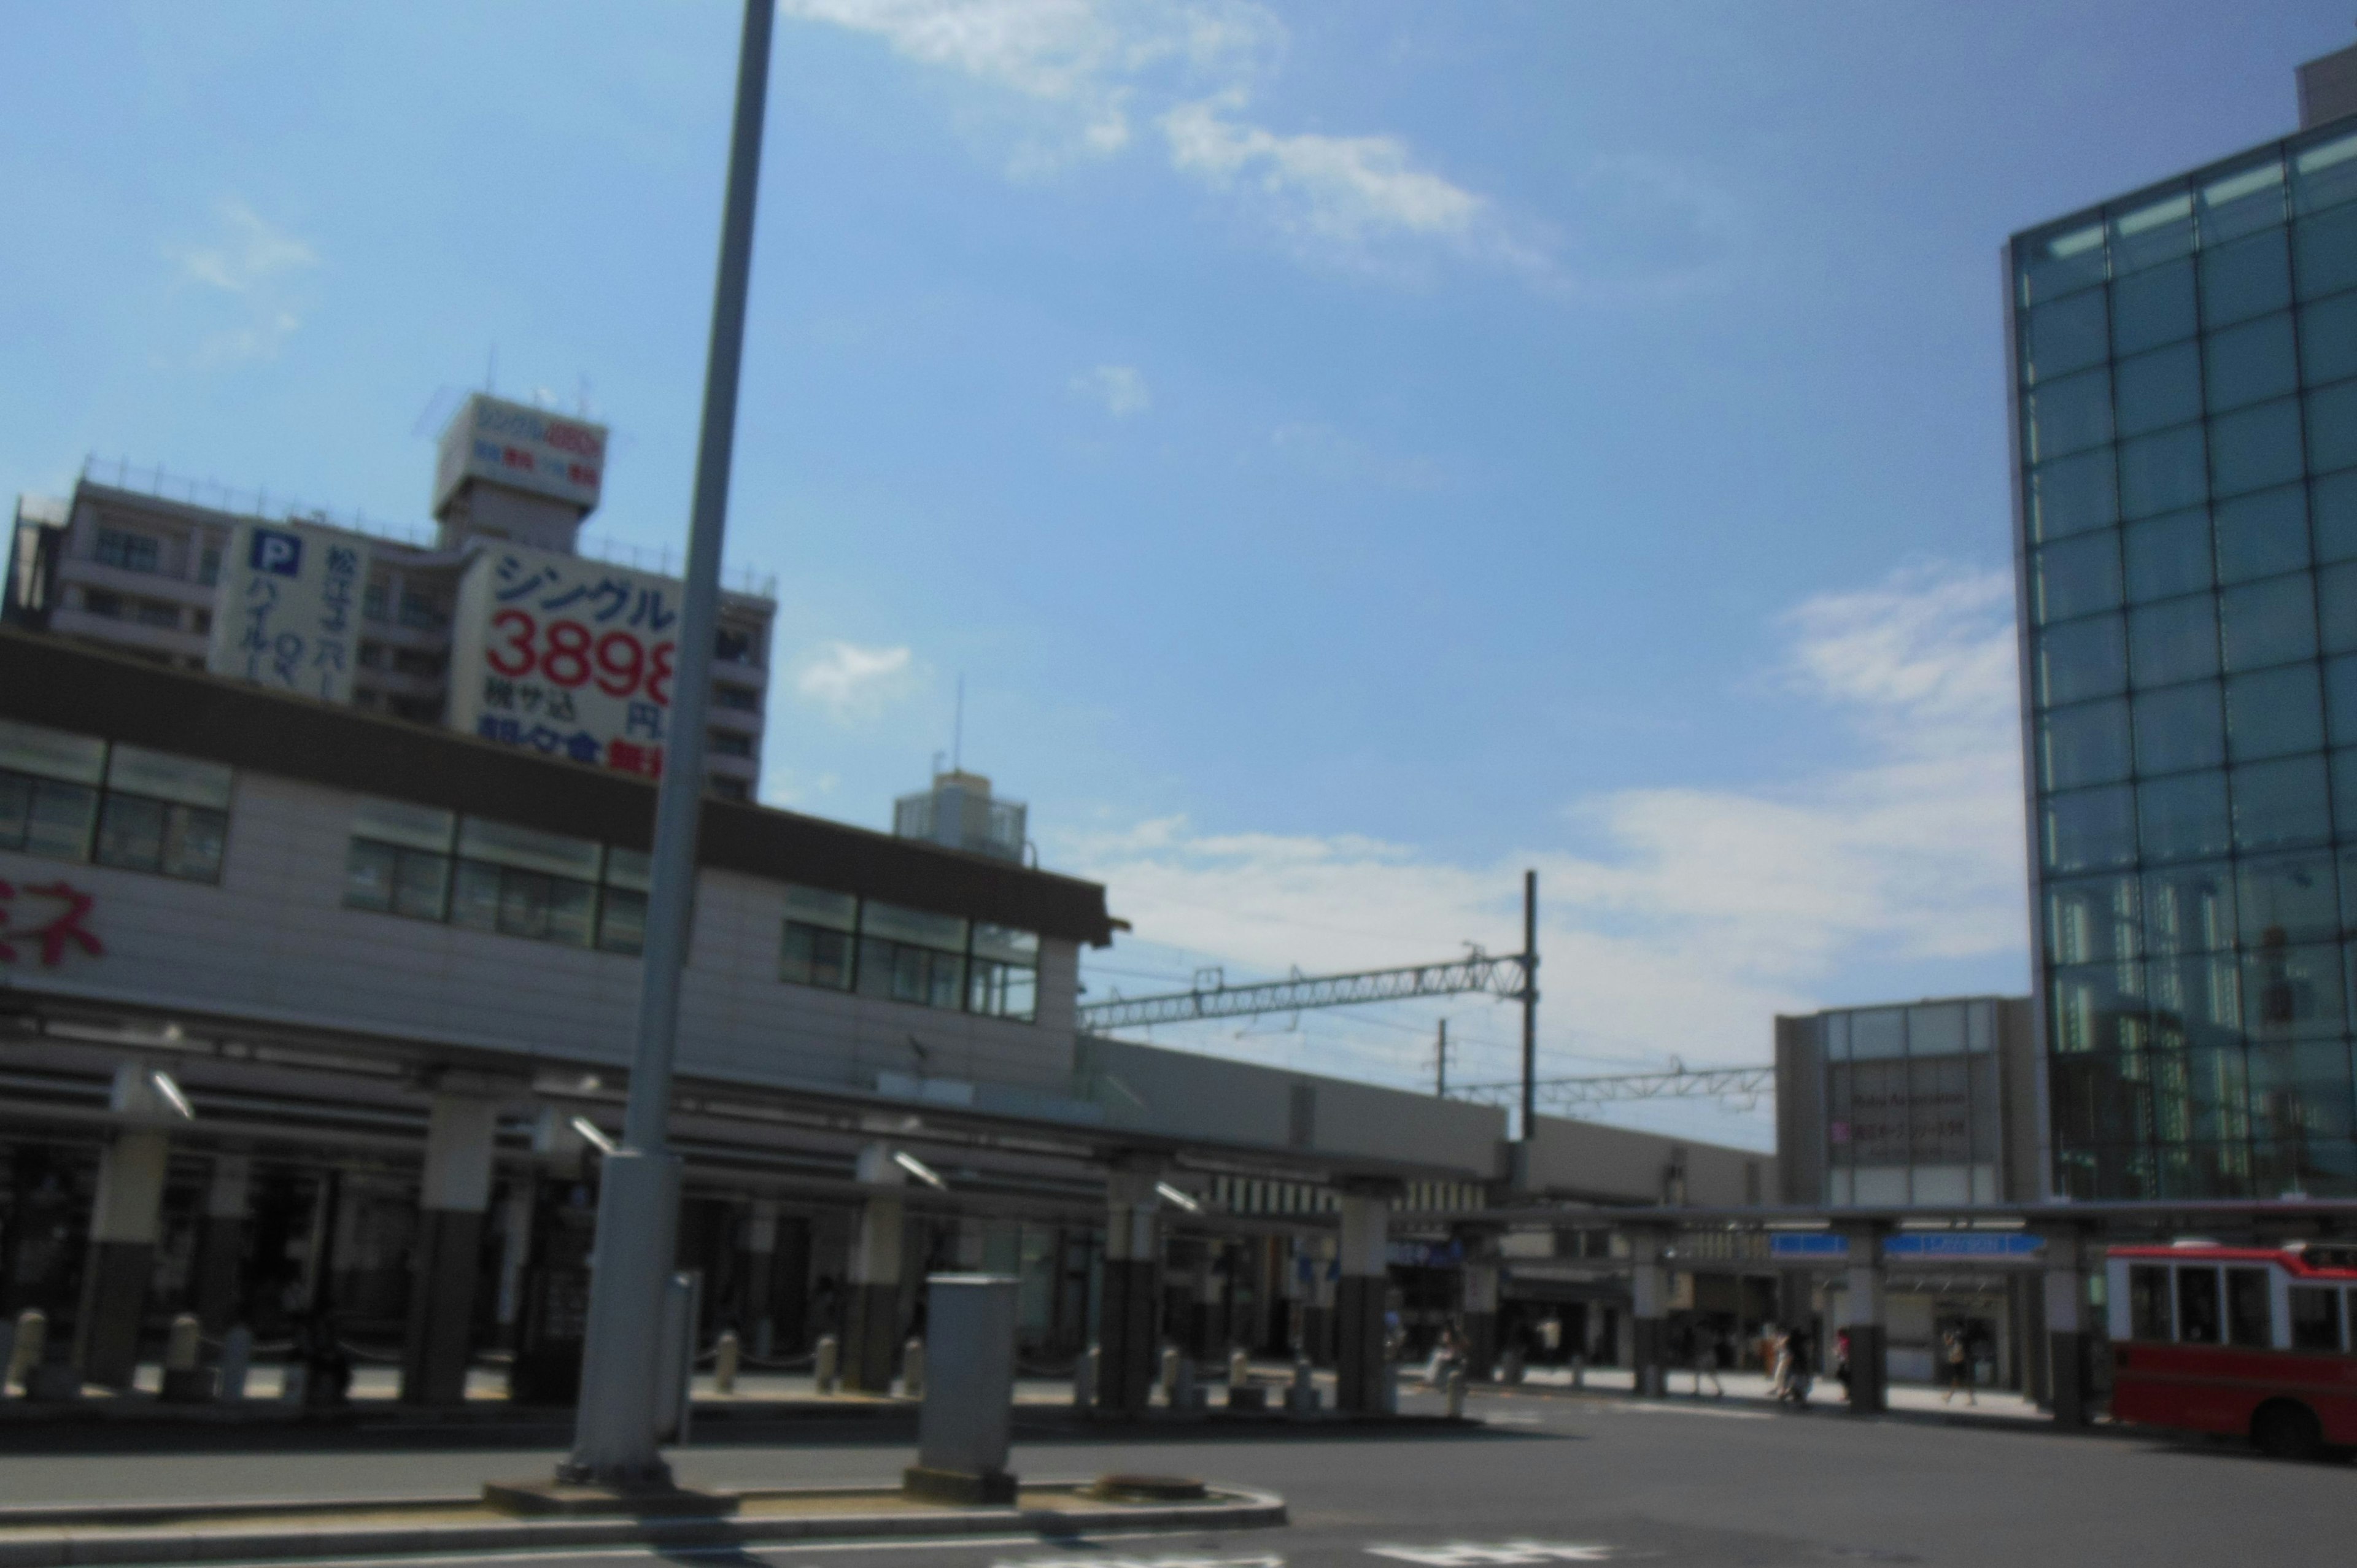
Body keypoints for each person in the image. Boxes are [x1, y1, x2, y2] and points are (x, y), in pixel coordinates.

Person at [1941, 1326, 1976, 1406]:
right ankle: (1950, 1395)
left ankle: (1970, 1398)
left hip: (1961, 1363)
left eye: (1946, 1338)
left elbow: (1957, 1353)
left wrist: (1954, 1358)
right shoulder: (1956, 1341)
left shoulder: (1956, 1342)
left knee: (1963, 1381)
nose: (1946, 1341)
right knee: (1956, 1380)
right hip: (1960, 1363)